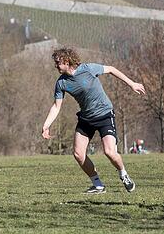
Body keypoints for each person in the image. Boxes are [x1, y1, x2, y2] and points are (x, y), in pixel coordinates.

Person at [41, 47, 146, 194]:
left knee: (109, 152)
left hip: (104, 115)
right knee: (78, 154)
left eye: (58, 62)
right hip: (86, 119)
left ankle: (123, 174)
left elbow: (111, 69)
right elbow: (56, 106)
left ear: (66, 61)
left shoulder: (88, 69)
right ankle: (98, 185)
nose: (56, 66)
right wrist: (46, 125)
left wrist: (132, 84)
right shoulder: (61, 83)